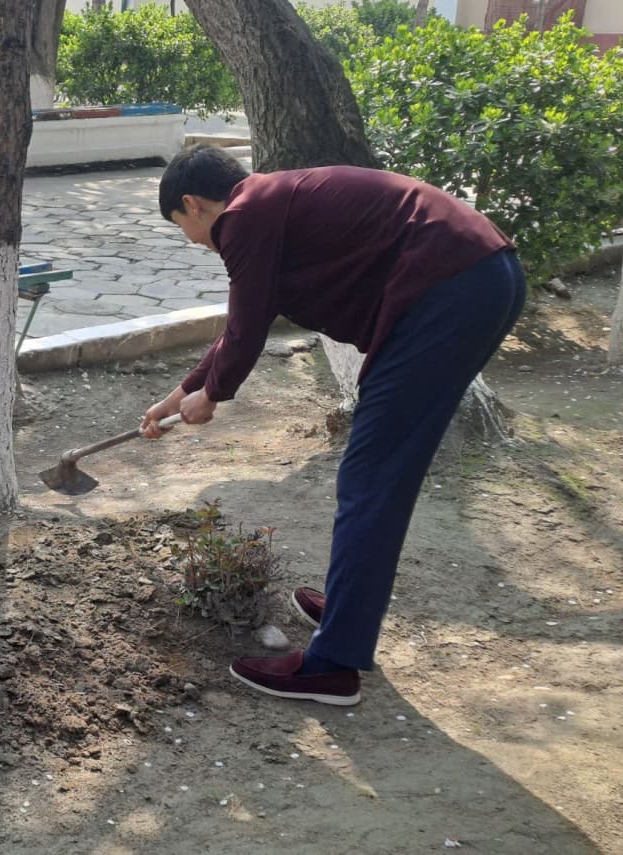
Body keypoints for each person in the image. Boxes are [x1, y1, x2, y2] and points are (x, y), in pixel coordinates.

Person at [143, 144, 525, 707]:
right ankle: (350, 612)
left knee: (371, 478)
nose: (192, 241)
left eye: (183, 227)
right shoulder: (271, 205)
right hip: (481, 278)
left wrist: (214, 396)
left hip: (449, 291)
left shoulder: (246, 216)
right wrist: (178, 396)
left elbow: (245, 332)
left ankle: (333, 665)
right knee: (380, 475)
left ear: (194, 204)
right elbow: (242, 325)